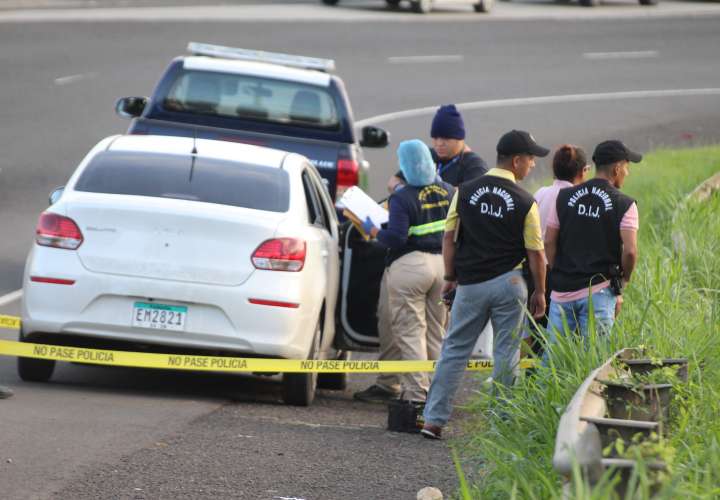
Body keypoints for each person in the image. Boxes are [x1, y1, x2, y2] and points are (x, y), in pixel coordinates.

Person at [421, 130, 549, 439]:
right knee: (506, 353)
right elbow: (537, 255)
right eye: (530, 159)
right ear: (516, 161)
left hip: (471, 284)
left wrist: (450, 277)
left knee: (453, 351)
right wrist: (540, 292)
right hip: (511, 283)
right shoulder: (525, 202)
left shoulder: (464, 192)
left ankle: (433, 421)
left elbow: (449, 237)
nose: (532, 164)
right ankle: (500, 424)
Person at [354, 140, 453, 403]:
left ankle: (416, 397)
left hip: (409, 267)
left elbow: (395, 238)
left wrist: (373, 230)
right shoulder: (449, 191)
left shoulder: (402, 197)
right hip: (443, 267)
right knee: (436, 333)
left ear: (405, 166)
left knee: (410, 333)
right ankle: (435, 394)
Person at [544, 140, 641, 345]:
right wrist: (625, 280)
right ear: (616, 168)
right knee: (594, 362)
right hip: (599, 291)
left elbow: (549, 241)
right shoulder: (624, 204)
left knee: (554, 360)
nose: (627, 173)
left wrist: (558, 270)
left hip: (562, 293)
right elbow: (630, 251)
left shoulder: (564, 196)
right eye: (626, 167)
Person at [523, 145, 590, 352]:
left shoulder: (540, 193)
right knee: (560, 336)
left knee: (532, 330)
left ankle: (528, 377)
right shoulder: (577, 199)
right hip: (558, 275)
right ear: (583, 171)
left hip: (532, 271)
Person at [387, 104, 488, 193]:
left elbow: (470, 194)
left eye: (446, 138)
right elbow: (393, 181)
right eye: (435, 138)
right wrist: (401, 190)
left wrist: (433, 195)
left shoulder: (475, 166)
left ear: (459, 138)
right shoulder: (426, 155)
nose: (439, 144)